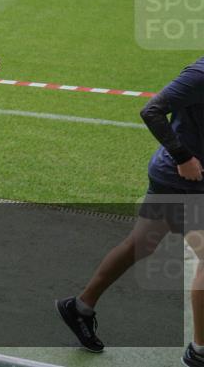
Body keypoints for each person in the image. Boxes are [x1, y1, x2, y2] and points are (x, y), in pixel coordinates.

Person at [57, 56, 204, 366]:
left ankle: (80, 307)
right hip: (181, 179)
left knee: (141, 243)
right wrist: (183, 157)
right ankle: (199, 351)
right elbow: (151, 110)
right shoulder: (199, 74)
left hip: (179, 178)